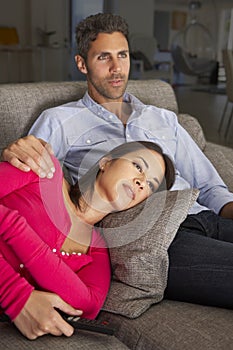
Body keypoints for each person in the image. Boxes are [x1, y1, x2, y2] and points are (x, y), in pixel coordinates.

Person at [3, 11, 233, 321]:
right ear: (82, 63)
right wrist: (16, 150)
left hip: (205, 215)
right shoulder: (59, 120)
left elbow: (210, 186)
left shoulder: (162, 118)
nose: (116, 68)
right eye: (104, 57)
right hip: (162, 233)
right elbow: (35, 176)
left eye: (122, 55)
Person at [0, 140, 175, 340]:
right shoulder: (46, 173)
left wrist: (10, 226)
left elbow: (85, 307)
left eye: (151, 185)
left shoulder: (98, 248)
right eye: (138, 166)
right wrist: (15, 295)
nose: (141, 181)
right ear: (106, 162)